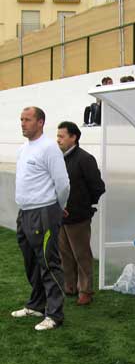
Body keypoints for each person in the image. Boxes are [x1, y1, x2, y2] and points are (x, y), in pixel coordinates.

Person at [12, 107, 70, 331]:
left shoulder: (49, 148)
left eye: (27, 120)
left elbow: (63, 183)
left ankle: (54, 314)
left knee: (48, 262)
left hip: (44, 212)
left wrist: (59, 207)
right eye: (21, 119)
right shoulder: (24, 149)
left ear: (40, 122)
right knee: (31, 262)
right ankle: (36, 305)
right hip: (25, 212)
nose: (23, 123)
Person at [57, 122, 105, 306]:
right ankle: (70, 286)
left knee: (81, 254)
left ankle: (85, 291)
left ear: (73, 137)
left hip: (78, 217)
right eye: (58, 136)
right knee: (65, 254)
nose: (58, 139)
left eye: (62, 136)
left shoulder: (85, 159)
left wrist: (82, 207)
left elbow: (98, 187)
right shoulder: (59, 158)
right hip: (61, 216)